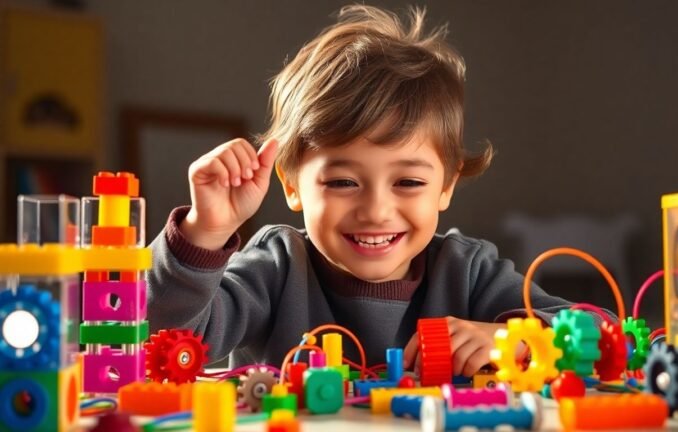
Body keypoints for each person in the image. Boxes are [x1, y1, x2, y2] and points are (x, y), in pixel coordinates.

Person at [147, 4, 582, 377]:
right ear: (292, 186)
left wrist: (516, 340)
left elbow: (598, 332)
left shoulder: (466, 270)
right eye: (342, 182)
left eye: (408, 182)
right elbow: (165, 339)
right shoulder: (276, 268)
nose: (376, 210)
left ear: (446, 187)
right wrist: (204, 231)